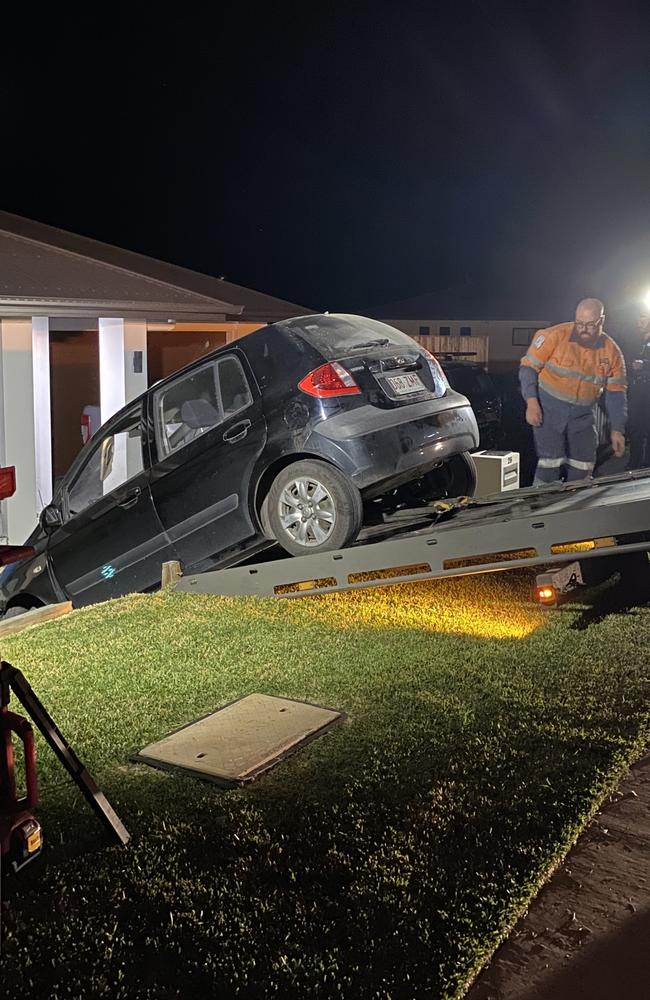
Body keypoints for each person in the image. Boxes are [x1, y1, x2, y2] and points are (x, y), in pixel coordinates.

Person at [519, 298, 626, 485]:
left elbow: (616, 393)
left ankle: (575, 505)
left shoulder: (612, 352)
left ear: (602, 321)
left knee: (583, 464)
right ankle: (540, 507)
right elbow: (527, 369)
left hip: (583, 415)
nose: (583, 329)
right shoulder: (554, 336)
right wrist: (531, 402)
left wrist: (617, 430)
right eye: (580, 323)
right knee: (549, 462)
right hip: (549, 409)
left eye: (590, 325)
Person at [626, 307, 650, 469]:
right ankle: (634, 463)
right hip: (636, 390)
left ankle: (648, 464)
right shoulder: (635, 341)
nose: (639, 322)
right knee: (635, 427)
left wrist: (645, 364)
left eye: (644, 318)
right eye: (639, 319)